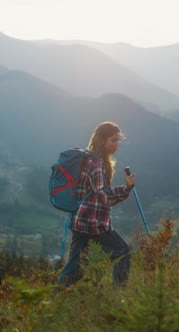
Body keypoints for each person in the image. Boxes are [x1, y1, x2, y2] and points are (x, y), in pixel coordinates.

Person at [58, 121, 135, 287]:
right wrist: (126, 188)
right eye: (113, 140)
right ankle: (119, 298)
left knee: (75, 268)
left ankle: (53, 302)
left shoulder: (89, 159)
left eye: (118, 140)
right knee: (122, 252)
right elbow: (103, 196)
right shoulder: (97, 163)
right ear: (102, 140)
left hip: (80, 221)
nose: (117, 144)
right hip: (94, 223)